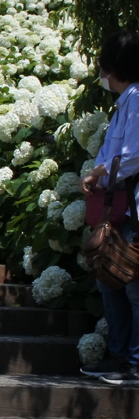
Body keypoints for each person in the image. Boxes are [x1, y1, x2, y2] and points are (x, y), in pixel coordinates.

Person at [78, 31, 139, 383]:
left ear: (111, 66)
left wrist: (98, 172)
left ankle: (131, 360)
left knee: (131, 285)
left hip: (131, 209)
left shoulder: (137, 100)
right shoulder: (123, 104)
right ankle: (120, 357)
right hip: (116, 208)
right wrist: (95, 175)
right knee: (110, 279)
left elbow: (132, 155)